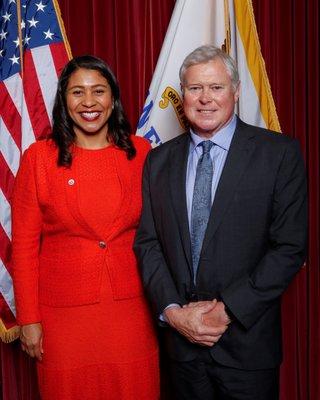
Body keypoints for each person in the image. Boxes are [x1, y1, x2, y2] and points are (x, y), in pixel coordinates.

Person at [134, 45, 307, 400]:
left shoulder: (279, 154)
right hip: (180, 351)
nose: (205, 99)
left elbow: (289, 247)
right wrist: (173, 313)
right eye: (195, 88)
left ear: (236, 90)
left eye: (216, 87)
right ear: (182, 95)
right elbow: (148, 243)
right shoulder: (158, 162)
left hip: (247, 348)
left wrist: (226, 310)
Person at [11, 55, 159, 400]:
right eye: (78, 92)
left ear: (113, 98)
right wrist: (28, 320)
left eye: (99, 91)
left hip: (131, 313)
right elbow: (23, 247)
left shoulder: (142, 152)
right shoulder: (39, 158)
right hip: (63, 320)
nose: (89, 102)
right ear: (64, 100)